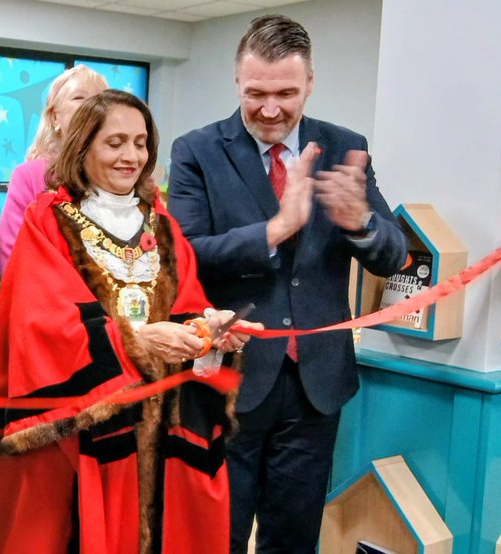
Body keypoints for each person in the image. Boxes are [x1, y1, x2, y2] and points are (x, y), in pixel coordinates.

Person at [0, 89, 258, 553]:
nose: (132, 156)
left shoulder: (161, 224)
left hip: (162, 426)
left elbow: (187, 304)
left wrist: (211, 333)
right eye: (116, 142)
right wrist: (137, 342)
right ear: (83, 147)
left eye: (141, 143)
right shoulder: (48, 219)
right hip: (85, 433)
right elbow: (41, 324)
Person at [167, 15, 409, 552]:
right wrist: (274, 231)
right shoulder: (197, 151)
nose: (270, 109)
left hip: (316, 386)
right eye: (256, 93)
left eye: (286, 93)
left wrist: (361, 224)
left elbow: (394, 256)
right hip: (227, 380)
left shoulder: (345, 147)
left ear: (310, 85)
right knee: (218, 535)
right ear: (237, 83)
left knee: (294, 537)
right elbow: (183, 256)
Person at [0, 64, 108, 273]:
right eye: (79, 98)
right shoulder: (29, 177)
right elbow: (14, 262)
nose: (93, 107)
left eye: (101, 99)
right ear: (55, 118)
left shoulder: (123, 179)